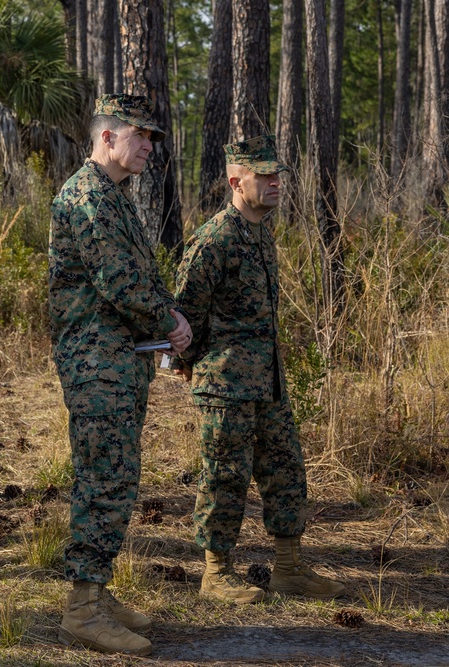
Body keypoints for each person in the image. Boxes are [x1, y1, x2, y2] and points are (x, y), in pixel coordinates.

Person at [173, 134, 345, 604]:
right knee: (224, 475)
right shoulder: (213, 240)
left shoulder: (262, 235)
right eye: (264, 176)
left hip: (268, 381)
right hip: (225, 384)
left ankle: (288, 569)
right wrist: (193, 366)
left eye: (277, 176)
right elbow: (185, 314)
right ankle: (216, 573)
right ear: (236, 182)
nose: (275, 183)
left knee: (286, 468)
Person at [49, 94, 192, 657]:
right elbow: (118, 279)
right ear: (107, 137)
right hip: (96, 361)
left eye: (152, 138)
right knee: (103, 478)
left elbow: (136, 275)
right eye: (140, 136)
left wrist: (167, 317)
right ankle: (82, 610)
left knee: (116, 476)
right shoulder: (88, 195)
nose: (149, 147)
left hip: (118, 358)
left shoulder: (113, 195)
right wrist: (170, 321)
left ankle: (97, 594)